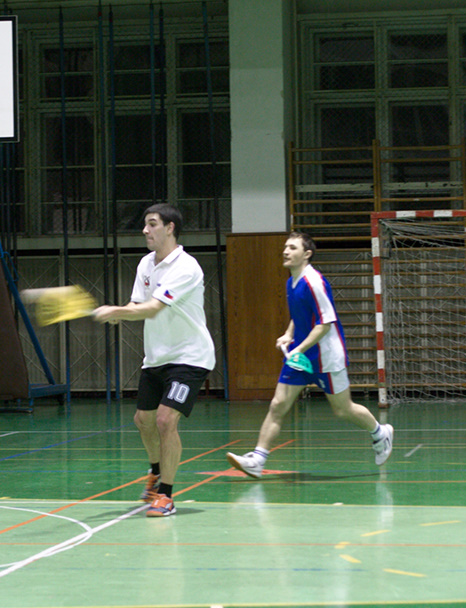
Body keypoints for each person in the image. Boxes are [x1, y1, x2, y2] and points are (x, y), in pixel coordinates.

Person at [227, 231, 393, 479]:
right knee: (278, 404)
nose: (285, 251)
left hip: (326, 356)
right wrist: (288, 334)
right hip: (301, 356)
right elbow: (300, 314)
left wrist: (299, 348)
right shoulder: (291, 282)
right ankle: (257, 460)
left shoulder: (314, 282)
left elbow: (324, 323)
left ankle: (380, 433)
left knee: (343, 409)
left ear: (307, 254)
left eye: (292, 248)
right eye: (285, 247)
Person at [93, 203, 215, 517]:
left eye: (152, 224)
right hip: (157, 357)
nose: (145, 230)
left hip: (190, 357)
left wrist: (117, 311)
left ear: (170, 228)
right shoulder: (146, 263)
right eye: (145, 224)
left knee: (165, 420)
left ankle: (166, 496)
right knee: (143, 421)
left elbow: (154, 308)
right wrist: (121, 312)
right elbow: (138, 304)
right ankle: (156, 470)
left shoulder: (186, 267)